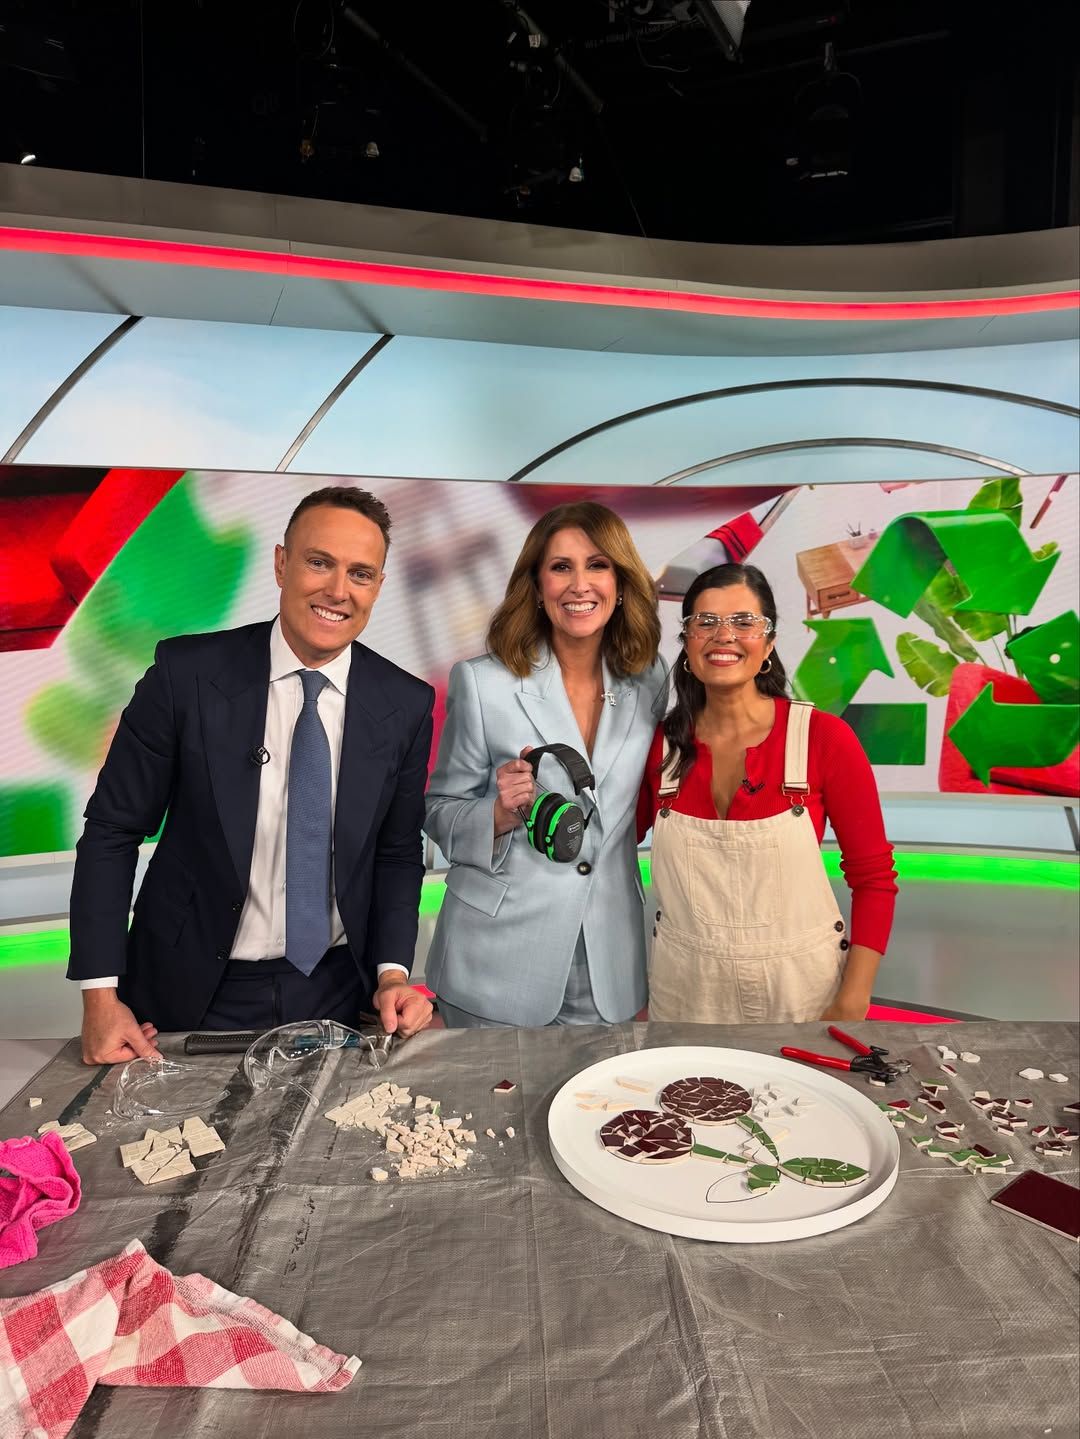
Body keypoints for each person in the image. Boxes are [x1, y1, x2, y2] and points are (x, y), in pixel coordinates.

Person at [68, 485, 434, 1064]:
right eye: (320, 563)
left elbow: (397, 851)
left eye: (360, 574)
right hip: (187, 989)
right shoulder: (185, 675)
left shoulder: (406, 703)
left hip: (336, 991)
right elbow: (112, 832)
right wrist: (100, 996)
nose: (338, 591)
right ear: (281, 564)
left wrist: (392, 974)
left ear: (379, 586)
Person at [424, 501, 667, 1027]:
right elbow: (439, 810)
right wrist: (496, 815)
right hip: (494, 963)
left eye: (598, 565)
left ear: (621, 583)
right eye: (561, 567)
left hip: (610, 961)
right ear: (537, 586)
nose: (580, 585)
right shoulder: (483, 682)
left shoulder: (651, 679)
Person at [637, 562, 897, 1024]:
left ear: (770, 642)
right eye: (705, 622)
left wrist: (853, 998)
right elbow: (607, 846)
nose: (724, 636)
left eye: (744, 622)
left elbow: (873, 878)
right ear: (687, 642)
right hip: (686, 998)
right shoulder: (660, 746)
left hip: (804, 997)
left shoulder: (823, 738)